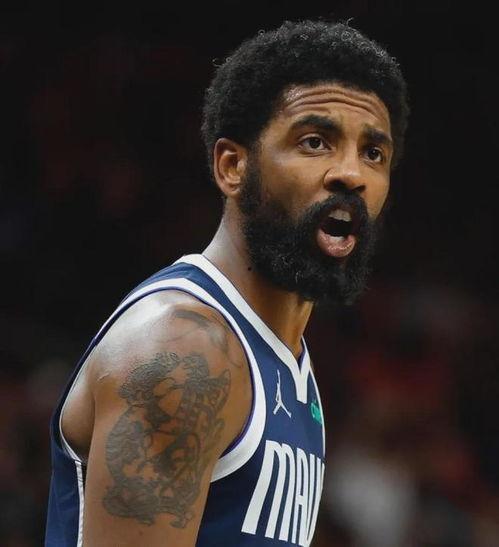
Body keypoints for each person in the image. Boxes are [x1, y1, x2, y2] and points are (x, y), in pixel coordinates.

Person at [45, 19, 409, 546]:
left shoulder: (286, 362)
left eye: (373, 153)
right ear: (232, 166)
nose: (351, 174)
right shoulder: (184, 351)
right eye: (315, 142)